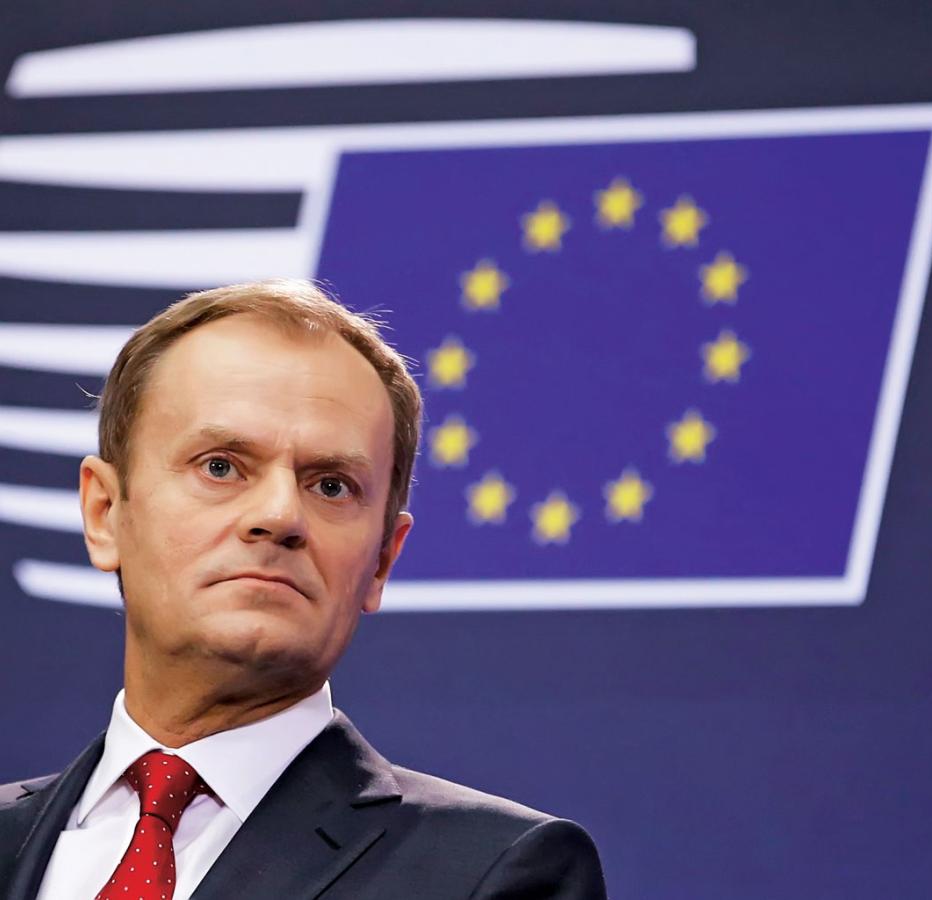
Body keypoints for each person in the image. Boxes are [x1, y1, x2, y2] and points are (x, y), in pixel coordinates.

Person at [0, 281, 607, 899]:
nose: (280, 515)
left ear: (382, 560)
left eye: (331, 485)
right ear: (105, 514)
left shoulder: (493, 874)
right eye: (220, 466)